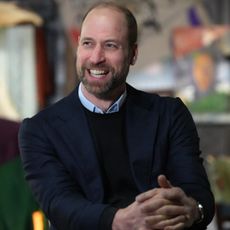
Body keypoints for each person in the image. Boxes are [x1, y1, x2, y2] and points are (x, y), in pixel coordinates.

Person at [19, 2, 215, 230]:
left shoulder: (169, 114)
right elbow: (59, 205)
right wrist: (119, 220)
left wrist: (192, 209)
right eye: (87, 44)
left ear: (133, 54)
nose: (96, 57)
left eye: (110, 45)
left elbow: (200, 196)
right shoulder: (40, 129)